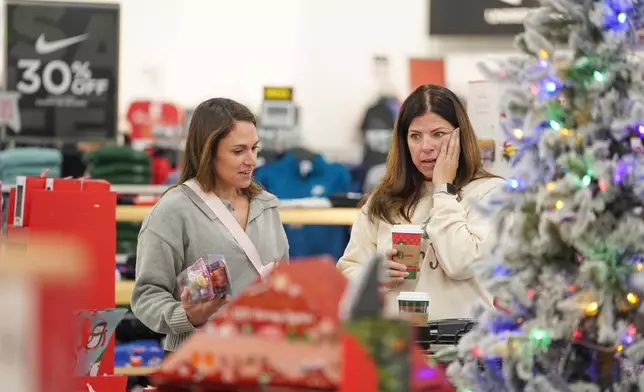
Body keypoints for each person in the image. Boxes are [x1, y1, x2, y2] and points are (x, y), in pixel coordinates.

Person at [131, 98, 289, 353]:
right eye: (238, 151)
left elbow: (285, 278)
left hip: (261, 358)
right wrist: (188, 315)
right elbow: (146, 296)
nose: (252, 160)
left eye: (255, 149)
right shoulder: (173, 211)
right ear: (208, 150)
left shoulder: (266, 206)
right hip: (198, 361)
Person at [337, 84, 505, 320]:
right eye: (415, 136)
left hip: (463, 347)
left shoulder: (490, 193)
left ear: (461, 136)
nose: (426, 147)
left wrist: (443, 190)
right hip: (397, 346)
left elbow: (462, 263)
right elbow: (347, 271)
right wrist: (373, 279)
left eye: (438, 134)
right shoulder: (383, 200)